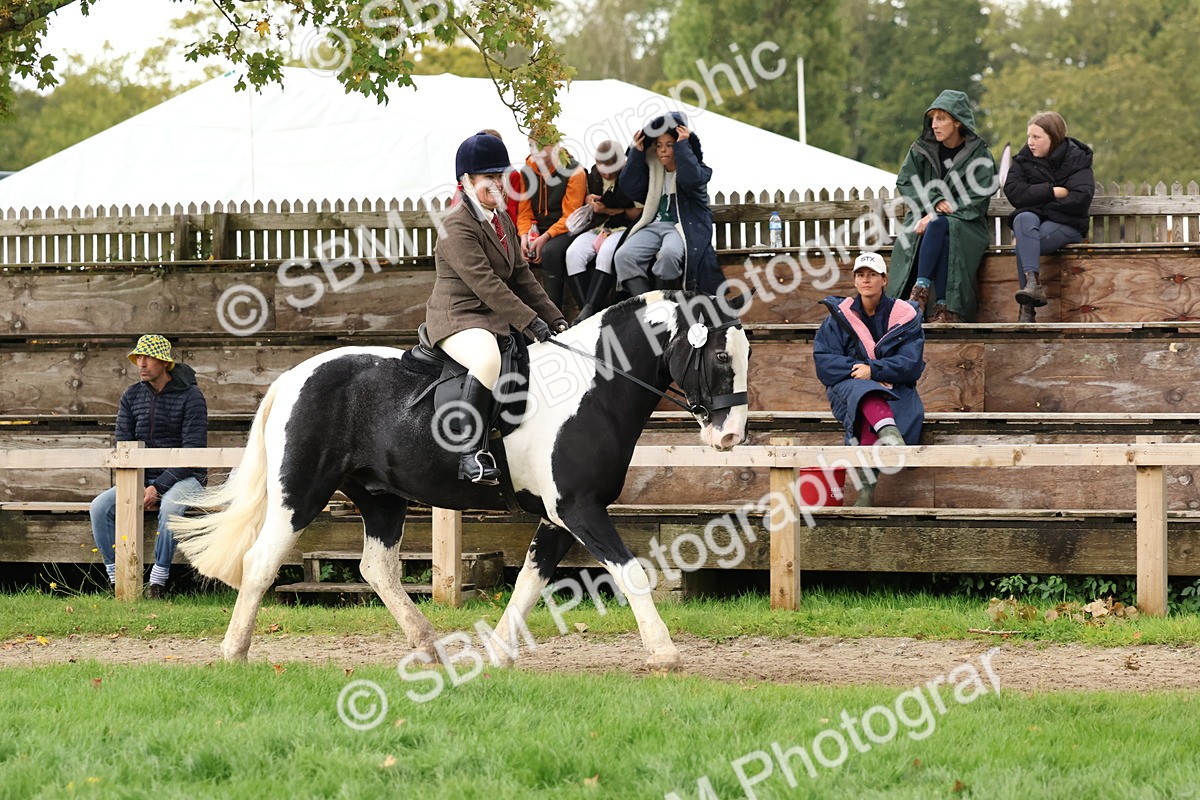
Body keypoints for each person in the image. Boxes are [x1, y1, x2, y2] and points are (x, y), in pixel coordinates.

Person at [426, 132, 568, 485]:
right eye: (489, 177)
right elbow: (486, 283)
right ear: (467, 181)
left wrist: (555, 318)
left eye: (501, 176)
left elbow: (522, 276)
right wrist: (530, 321)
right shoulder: (454, 224)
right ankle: (469, 453)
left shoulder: (501, 219)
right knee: (488, 359)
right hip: (457, 316)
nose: (498, 184)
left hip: (490, 316)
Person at [90, 334, 208, 597]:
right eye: (138, 358)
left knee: (170, 506)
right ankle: (116, 578)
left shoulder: (192, 397)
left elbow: (193, 453)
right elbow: (124, 446)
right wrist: (140, 485)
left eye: (147, 357)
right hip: (142, 478)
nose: (140, 363)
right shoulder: (131, 396)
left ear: (164, 362)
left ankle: (158, 582)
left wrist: (158, 487)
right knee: (99, 507)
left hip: (186, 478)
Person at [814, 252, 925, 506]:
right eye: (861, 275)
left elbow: (911, 364)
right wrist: (864, 372)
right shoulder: (837, 317)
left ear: (884, 279)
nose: (866, 280)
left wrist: (874, 371)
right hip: (846, 386)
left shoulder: (904, 316)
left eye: (872, 274)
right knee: (862, 392)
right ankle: (890, 433)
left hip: (894, 387)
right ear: (854, 281)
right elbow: (825, 363)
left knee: (876, 405)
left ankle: (867, 488)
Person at [888, 90, 998, 323]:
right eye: (932, 119)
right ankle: (942, 307)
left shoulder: (980, 154)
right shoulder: (920, 150)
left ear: (957, 121)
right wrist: (933, 203)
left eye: (941, 118)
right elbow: (906, 181)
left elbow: (980, 196)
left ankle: (919, 296)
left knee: (939, 226)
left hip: (968, 224)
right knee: (939, 231)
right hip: (923, 218)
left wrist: (941, 210)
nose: (935, 125)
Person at [615, 111, 721, 295]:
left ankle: (670, 305)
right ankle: (646, 307)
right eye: (659, 145)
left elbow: (690, 178)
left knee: (669, 254)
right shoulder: (653, 171)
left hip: (681, 227)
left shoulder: (698, 171)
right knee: (623, 256)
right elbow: (628, 187)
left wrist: (683, 146)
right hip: (654, 225)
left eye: (670, 145)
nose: (663, 149)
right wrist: (636, 154)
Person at [1003, 111, 1095, 322]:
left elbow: (1080, 198)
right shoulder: (1025, 158)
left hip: (1067, 224)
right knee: (1022, 219)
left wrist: (1037, 202)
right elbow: (1014, 192)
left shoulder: (1076, 158)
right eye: (1029, 136)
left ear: (1053, 138)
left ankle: (1027, 311)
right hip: (1036, 222)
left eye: (1037, 137)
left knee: (1025, 241)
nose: (1030, 142)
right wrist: (1051, 191)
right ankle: (1033, 286)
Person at [565, 139, 640, 320]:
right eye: (603, 171)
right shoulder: (594, 175)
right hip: (599, 227)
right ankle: (589, 314)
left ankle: (589, 310)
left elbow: (637, 213)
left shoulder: (631, 177)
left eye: (610, 172)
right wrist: (591, 200)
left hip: (623, 228)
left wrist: (606, 209)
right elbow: (588, 200)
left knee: (606, 253)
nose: (606, 176)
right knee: (573, 254)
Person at [516, 137, 588, 310]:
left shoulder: (574, 170)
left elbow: (571, 216)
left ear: (555, 146)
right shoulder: (526, 172)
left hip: (568, 228)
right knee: (514, 250)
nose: (535, 150)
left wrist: (546, 237)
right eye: (531, 145)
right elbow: (524, 212)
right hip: (539, 228)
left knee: (550, 251)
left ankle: (554, 314)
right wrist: (524, 236)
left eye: (540, 145)